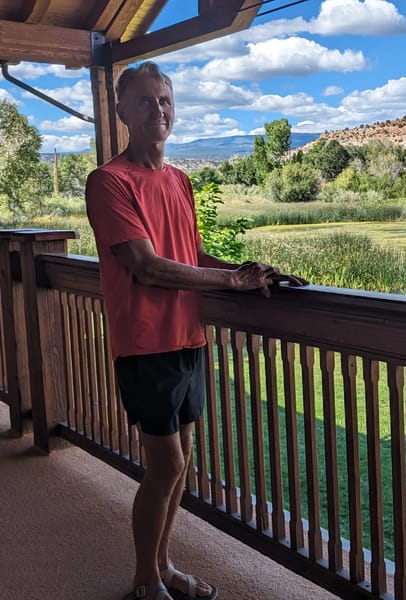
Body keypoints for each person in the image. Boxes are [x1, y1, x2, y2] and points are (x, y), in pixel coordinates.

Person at [85, 61, 307, 600]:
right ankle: (144, 579)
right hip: (144, 344)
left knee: (179, 467)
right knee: (168, 464)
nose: (158, 109)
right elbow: (148, 266)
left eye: (164, 99)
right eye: (144, 101)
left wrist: (248, 273)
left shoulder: (180, 181)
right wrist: (227, 280)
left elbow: (190, 256)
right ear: (121, 111)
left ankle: (164, 567)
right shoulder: (109, 182)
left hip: (189, 338)